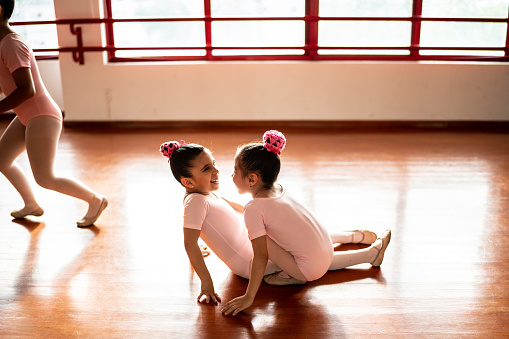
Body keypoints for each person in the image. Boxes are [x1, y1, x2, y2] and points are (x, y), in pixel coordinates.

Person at [221, 130, 391, 316]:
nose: (231, 176)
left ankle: (292, 276)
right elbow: (256, 210)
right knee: (303, 246)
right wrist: (229, 204)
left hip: (308, 271)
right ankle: (368, 251)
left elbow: (260, 256)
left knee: (257, 236)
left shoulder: (253, 209)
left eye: (234, 171)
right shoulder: (279, 190)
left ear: (252, 179)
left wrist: (249, 297)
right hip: (324, 248)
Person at [0, 0, 107, 227]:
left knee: (45, 177)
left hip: (41, 115)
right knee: (1, 159)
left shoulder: (11, 43)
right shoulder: (2, 43)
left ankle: (95, 200)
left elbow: (26, 90)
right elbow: (6, 83)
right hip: (27, 116)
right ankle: (31, 205)